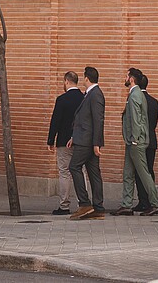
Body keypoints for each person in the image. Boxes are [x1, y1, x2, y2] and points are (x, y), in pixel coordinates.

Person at [114, 68, 158, 216]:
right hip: (132, 141)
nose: (125, 78)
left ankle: (155, 203)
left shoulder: (134, 96)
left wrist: (134, 139)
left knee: (144, 173)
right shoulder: (136, 94)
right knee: (128, 173)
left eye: (127, 75)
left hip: (136, 142)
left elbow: (135, 119)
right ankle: (126, 204)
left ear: (132, 79)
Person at [68, 67, 106, 220]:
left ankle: (85, 203)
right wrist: (73, 137)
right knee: (93, 172)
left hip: (87, 141)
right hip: (85, 139)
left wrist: (96, 143)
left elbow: (98, 120)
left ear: (86, 78)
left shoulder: (95, 94)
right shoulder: (90, 94)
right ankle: (98, 207)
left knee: (74, 166)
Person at [47, 72, 82, 214]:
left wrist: (51, 140)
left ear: (66, 81)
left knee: (64, 172)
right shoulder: (84, 97)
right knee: (81, 171)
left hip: (63, 141)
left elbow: (56, 120)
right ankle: (83, 202)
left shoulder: (62, 99)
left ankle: (64, 205)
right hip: (80, 140)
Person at [140, 79, 158, 210]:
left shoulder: (136, 100)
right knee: (150, 170)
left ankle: (144, 201)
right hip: (152, 139)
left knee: (140, 171)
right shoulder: (154, 102)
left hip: (141, 139)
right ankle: (151, 198)